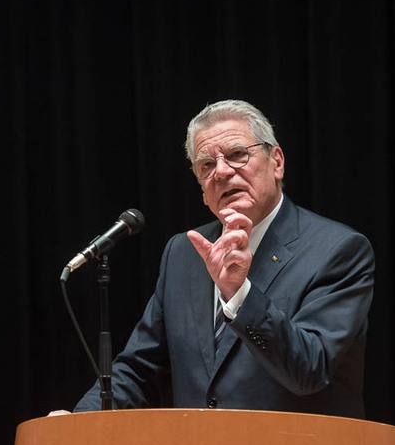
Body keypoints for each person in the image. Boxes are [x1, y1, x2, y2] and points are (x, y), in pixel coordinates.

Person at [72, 99, 374, 418]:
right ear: (203, 191)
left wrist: (239, 295)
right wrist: (79, 423)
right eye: (206, 165)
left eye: (236, 155)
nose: (222, 171)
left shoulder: (338, 249)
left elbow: (311, 368)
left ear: (277, 162)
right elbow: (139, 370)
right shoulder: (184, 254)